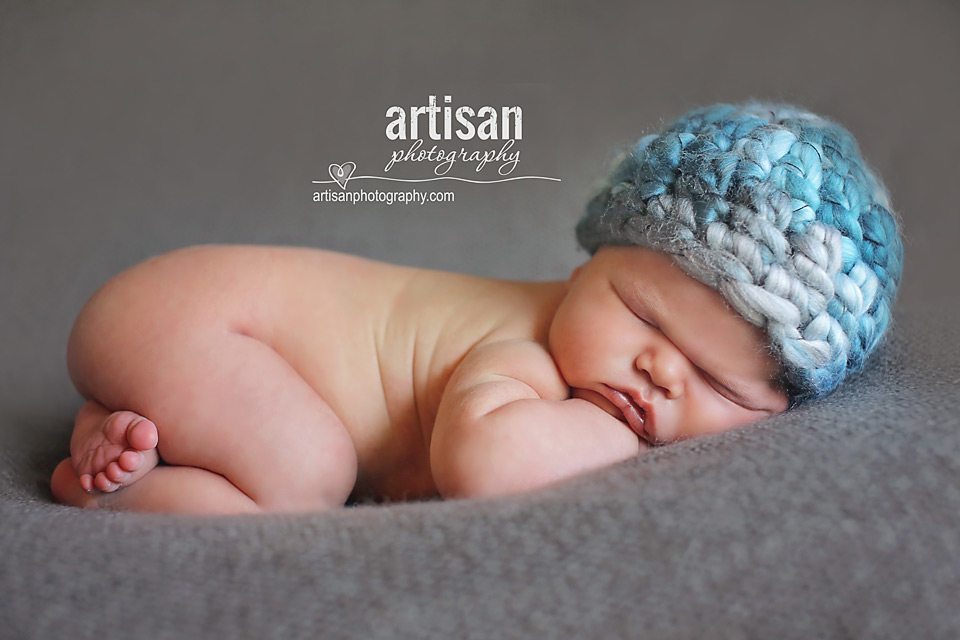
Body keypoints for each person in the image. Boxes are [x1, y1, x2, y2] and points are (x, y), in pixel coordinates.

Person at [49, 101, 904, 514]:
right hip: (199, 316)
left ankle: (129, 420)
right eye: (643, 314)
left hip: (190, 339)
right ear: (592, 262)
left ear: (784, 402)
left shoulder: (605, 355)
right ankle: (114, 496)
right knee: (302, 479)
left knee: (293, 451)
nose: (659, 370)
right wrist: (611, 433)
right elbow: (484, 465)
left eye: (721, 383)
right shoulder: (523, 354)